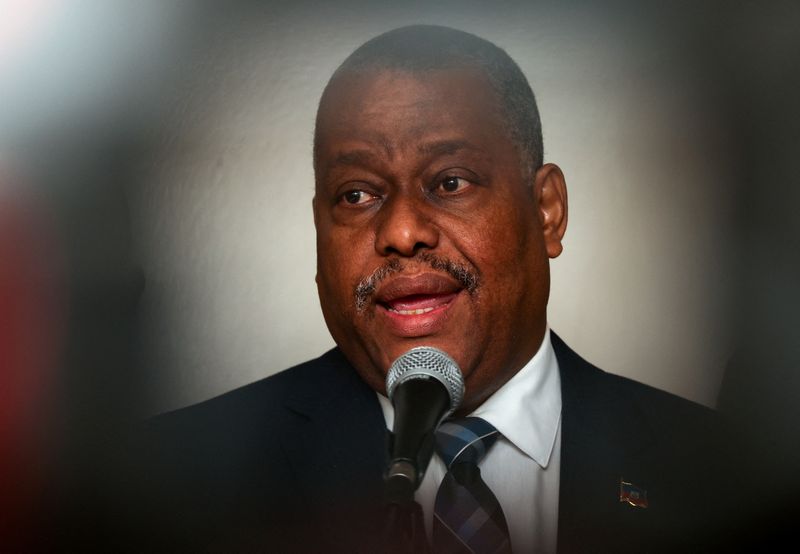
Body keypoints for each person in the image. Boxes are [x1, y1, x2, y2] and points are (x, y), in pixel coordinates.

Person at [111, 25, 744, 553]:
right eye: (355, 195)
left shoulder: (721, 468)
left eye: (450, 182)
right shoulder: (172, 476)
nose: (402, 231)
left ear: (546, 211)